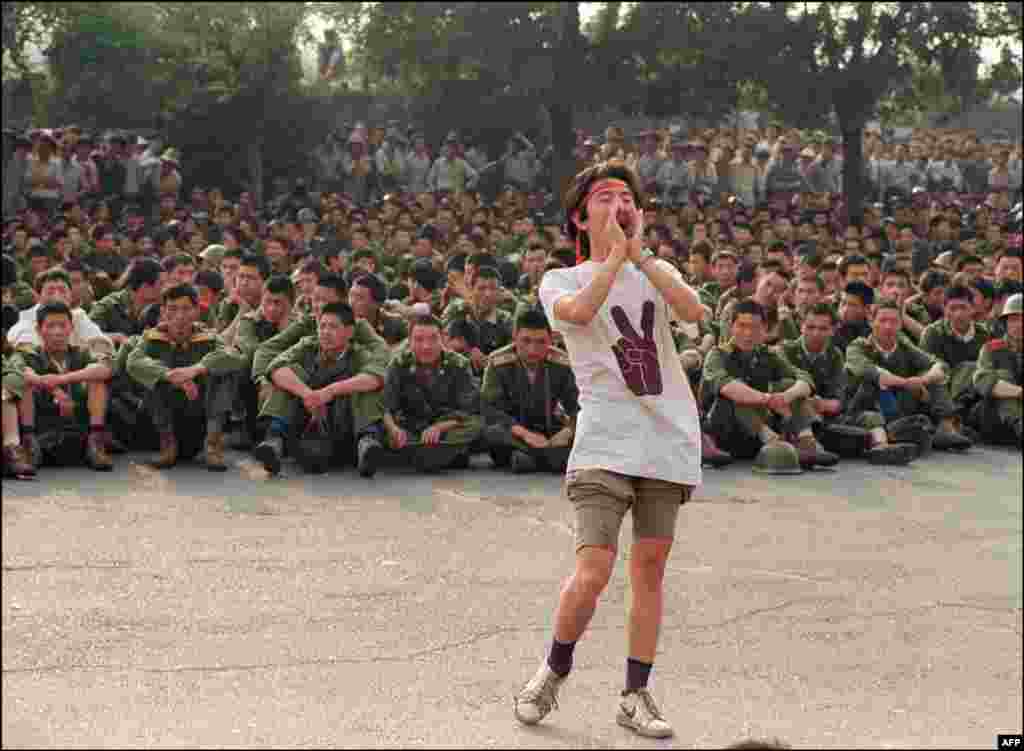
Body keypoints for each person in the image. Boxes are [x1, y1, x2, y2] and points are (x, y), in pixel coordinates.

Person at [514, 160, 706, 739]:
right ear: (580, 215)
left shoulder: (656, 271)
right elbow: (577, 315)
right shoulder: (561, 280)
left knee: (649, 568)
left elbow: (694, 312)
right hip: (603, 440)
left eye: (627, 196)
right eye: (604, 196)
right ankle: (552, 670)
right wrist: (615, 259)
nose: (618, 204)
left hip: (667, 440)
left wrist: (641, 257)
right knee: (594, 569)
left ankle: (635, 692)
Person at [253, 301, 390, 477]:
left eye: (333, 327)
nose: (325, 332)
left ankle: (368, 444)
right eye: (322, 326)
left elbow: (375, 377)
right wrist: (307, 394)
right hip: (306, 425)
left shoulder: (359, 354)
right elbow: (275, 367)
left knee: (362, 383)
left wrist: (330, 391)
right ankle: (274, 441)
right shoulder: (307, 345)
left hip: (344, 430)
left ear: (349, 332)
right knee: (290, 374)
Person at [702, 299, 836, 470]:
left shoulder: (766, 355)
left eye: (755, 327)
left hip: (756, 432)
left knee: (789, 385)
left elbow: (804, 378)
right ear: (731, 326)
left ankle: (807, 443)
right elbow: (728, 388)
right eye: (742, 326)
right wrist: (768, 399)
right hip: (724, 430)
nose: (748, 333)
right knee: (736, 391)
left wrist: (785, 396)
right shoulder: (718, 355)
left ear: (764, 328)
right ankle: (774, 441)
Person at [125, 283, 246, 471]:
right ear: (163, 311)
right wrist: (169, 375)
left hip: (201, 420)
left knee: (224, 372)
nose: (180, 316)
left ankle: (212, 445)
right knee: (152, 376)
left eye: (186, 309)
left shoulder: (208, 337)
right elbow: (133, 362)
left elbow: (234, 357)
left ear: (196, 311)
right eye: (172, 309)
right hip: (163, 422)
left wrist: (196, 369)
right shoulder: (152, 337)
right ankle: (168, 447)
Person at [845, 300, 972, 455]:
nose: (888, 327)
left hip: (897, 409)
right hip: (863, 410)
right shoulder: (858, 346)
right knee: (872, 405)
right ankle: (881, 446)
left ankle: (946, 427)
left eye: (893, 321)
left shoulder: (904, 346)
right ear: (872, 322)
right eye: (883, 320)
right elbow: (871, 372)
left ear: (900, 325)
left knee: (931, 375)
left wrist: (923, 380)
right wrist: (907, 383)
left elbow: (939, 365)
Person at [9, 301, 115, 471]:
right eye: (50, 326)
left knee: (96, 379)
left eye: (62, 325)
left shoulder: (83, 352)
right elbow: (20, 370)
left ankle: (96, 442)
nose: (57, 332)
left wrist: (61, 379)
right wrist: (53, 388)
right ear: (38, 329)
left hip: (79, 424)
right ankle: (29, 444)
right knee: (24, 381)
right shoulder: (28, 353)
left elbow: (105, 369)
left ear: (71, 327)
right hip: (42, 427)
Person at [380, 314, 483, 473]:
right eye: (419, 340)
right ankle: (444, 455)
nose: (426, 346)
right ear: (410, 340)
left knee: (477, 422)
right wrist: (394, 429)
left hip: (447, 427)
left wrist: (439, 427)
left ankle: (422, 456)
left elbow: (469, 409)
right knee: (385, 430)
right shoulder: (398, 364)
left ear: (442, 338)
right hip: (412, 427)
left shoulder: (459, 364)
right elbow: (386, 407)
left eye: (433, 339)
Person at [481, 309, 579, 473]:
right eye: (525, 341)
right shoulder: (498, 362)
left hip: (549, 433)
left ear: (552, 340)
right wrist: (525, 435)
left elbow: (578, 407)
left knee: (586, 431)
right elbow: (490, 409)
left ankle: (531, 459)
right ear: (514, 337)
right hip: (514, 432)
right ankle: (552, 459)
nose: (532, 350)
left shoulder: (561, 363)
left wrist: (567, 431)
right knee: (490, 432)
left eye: (541, 342)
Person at [970, 293, 1022, 447]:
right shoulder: (991, 349)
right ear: (1005, 323)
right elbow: (982, 381)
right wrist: (1019, 392)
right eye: (1014, 320)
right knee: (1001, 377)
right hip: (994, 418)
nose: (1019, 325)